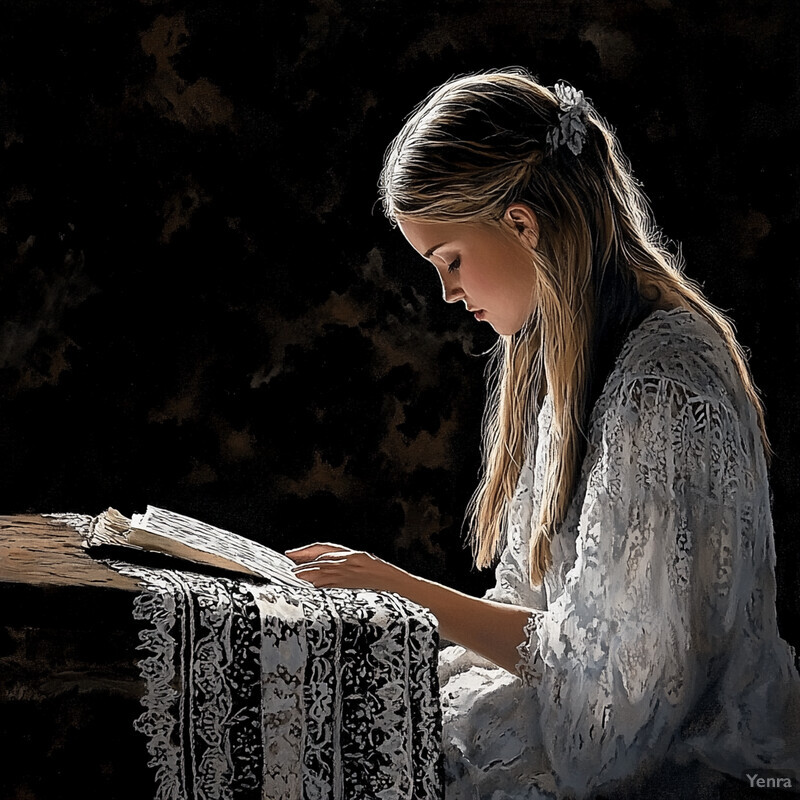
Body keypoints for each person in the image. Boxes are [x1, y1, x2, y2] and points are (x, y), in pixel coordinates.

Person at [285, 68, 800, 799]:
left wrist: (406, 592)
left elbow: (617, 726)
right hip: (585, 735)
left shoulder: (664, 389)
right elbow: (535, 609)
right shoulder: (568, 351)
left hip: (686, 772)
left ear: (522, 225)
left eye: (450, 261)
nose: (448, 294)